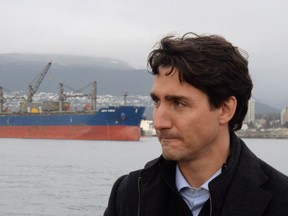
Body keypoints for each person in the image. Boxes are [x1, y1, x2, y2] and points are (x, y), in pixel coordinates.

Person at [103, 33, 288, 216]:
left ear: (225, 109)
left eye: (179, 103)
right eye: (157, 101)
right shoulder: (129, 194)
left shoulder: (281, 200)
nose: (159, 122)